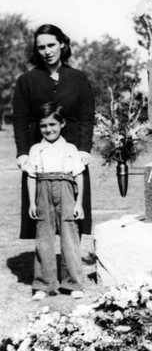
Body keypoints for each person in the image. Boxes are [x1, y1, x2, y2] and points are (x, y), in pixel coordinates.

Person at [13, 23, 95, 239]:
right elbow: (20, 121)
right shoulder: (27, 80)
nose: (47, 51)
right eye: (41, 47)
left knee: (73, 212)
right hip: (38, 148)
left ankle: (71, 265)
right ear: (36, 50)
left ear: (62, 44)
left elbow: (87, 117)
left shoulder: (78, 78)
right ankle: (46, 267)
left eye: (51, 45)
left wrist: (85, 148)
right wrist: (22, 152)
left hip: (72, 148)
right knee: (42, 212)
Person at [27, 102, 85, 300]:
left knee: (69, 236)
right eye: (43, 126)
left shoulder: (70, 148)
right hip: (43, 191)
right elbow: (31, 177)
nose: (48, 129)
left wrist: (78, 203)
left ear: (62, 124)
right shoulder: (36, 149)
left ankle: (73, 283)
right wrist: (32, 203)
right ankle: (44, 284)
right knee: (44, 238)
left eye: (53, 124)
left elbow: (79, 176)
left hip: (66, 189)